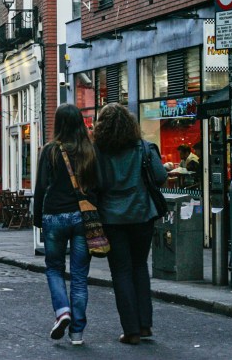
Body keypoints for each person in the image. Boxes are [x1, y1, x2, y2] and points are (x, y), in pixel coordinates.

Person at [94, 103, 168, 345]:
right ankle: (145, 324)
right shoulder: (144, 148)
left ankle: (131, 330)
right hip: (141, 214)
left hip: (112, 219)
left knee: (121, 271)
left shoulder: (99, 152)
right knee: (139, 267)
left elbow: (95, 185)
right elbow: (160, 176)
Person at [33, 104, 99, 346]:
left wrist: (37, 219)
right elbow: (97, 186)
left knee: (54, 268)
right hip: (82, 217)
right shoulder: (90, 150)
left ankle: (63, 311)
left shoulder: (50, 150)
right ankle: (77, 333)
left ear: (58, 123)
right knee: (80, 277)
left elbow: (41, 188)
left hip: (54, 215)